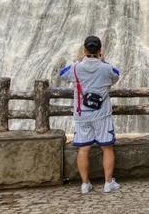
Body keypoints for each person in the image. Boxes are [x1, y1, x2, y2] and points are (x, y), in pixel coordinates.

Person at [59, 35, 121, 194]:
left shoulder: (75, 68)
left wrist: (79, 60)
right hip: (102, 115)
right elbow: (116, 75)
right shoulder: (106, 68)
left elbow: (62, 73)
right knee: (107, 148)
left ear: (84, 50)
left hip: (82, 115)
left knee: (84, 149)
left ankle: (85, 184)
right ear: (100, 50)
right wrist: (103, 60)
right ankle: (108, 183)